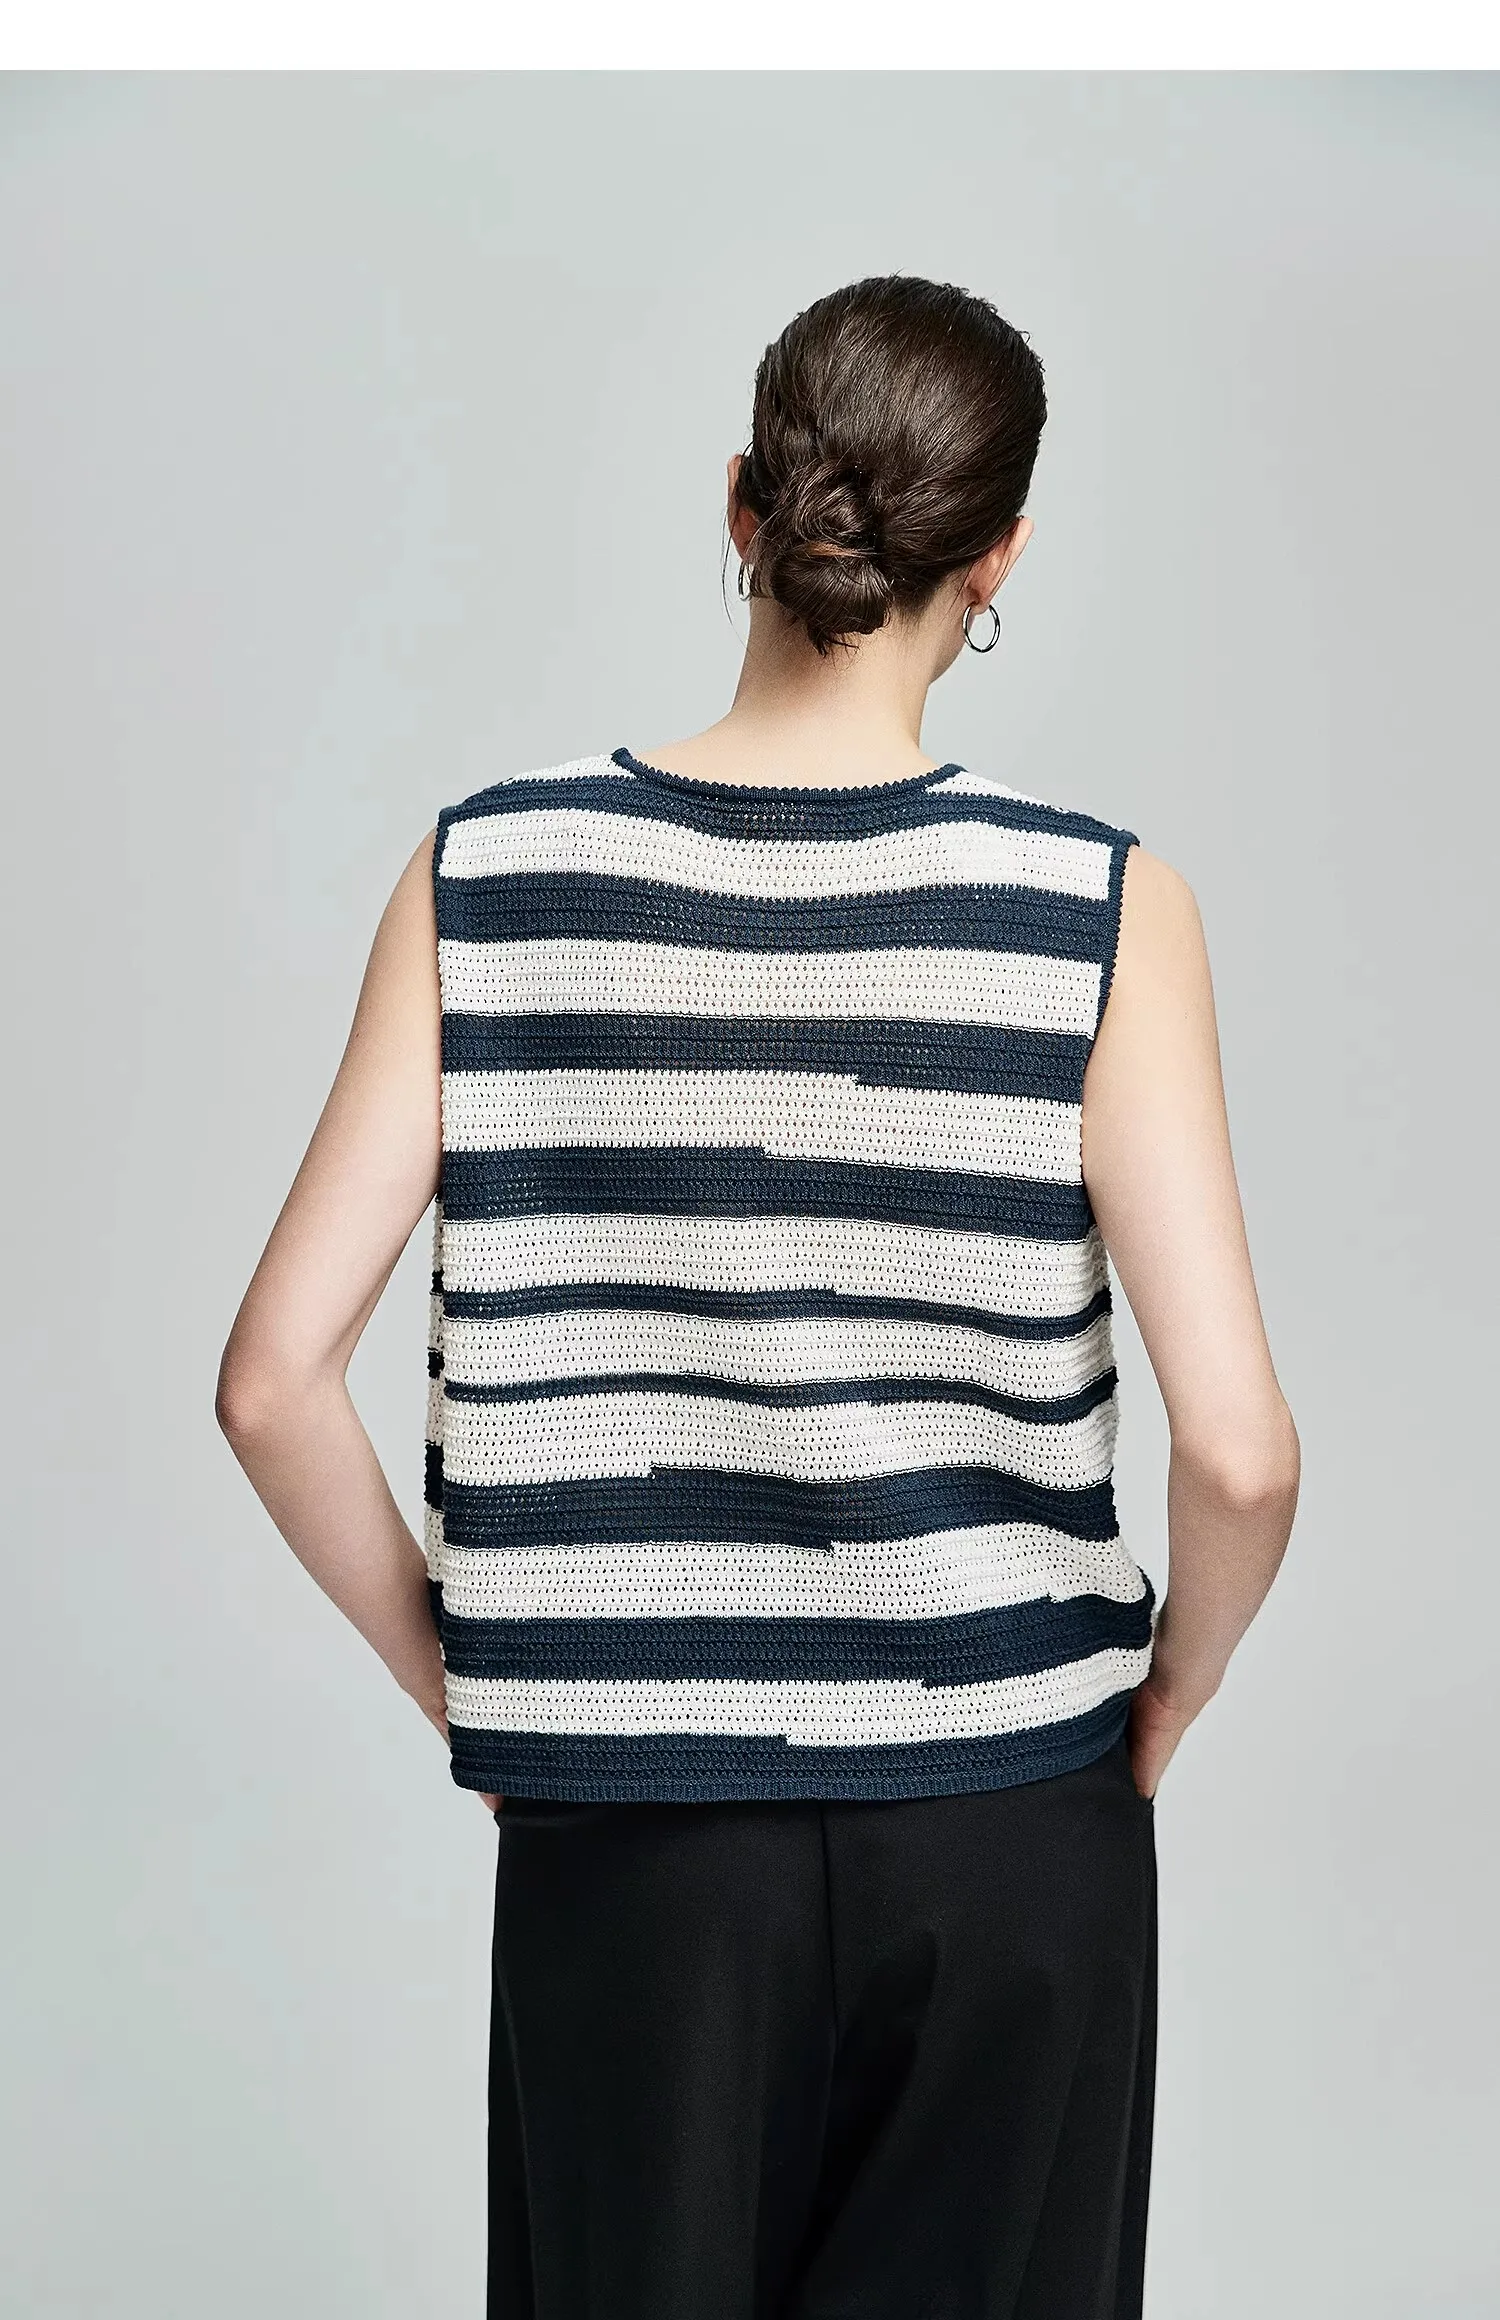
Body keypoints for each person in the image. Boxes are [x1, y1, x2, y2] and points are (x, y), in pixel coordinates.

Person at [217, 274, 1300, 2320]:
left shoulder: (489, 876)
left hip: (636, 1839)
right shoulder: (1100, 909)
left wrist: (480, 1689)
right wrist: (1169, 1695)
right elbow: (1238, 1454)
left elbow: (275, 1380)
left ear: (743, 499)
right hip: (1014, 1819)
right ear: (998, 556)